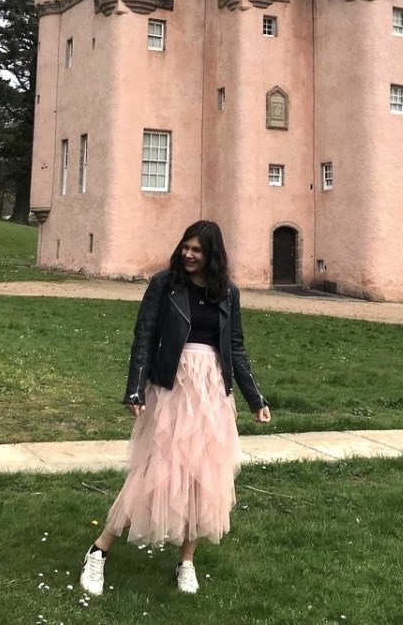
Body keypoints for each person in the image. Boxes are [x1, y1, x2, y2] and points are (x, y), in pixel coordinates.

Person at [80, 220, 271, 596]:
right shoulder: (164, 284)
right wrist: (134, 388)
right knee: (154, 472)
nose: (188, 254)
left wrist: (255, 398)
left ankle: (187, 561)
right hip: (171, 386)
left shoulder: (228, 293)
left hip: (212, 390)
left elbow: (235, 347)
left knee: (203, 477)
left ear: (212, 255)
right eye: (186, 246)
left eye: (197, 250)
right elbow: (145, 336)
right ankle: (98, 552)